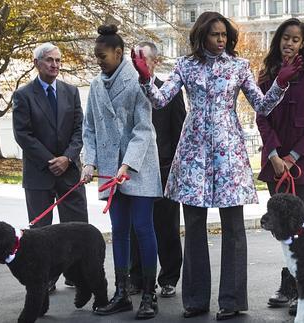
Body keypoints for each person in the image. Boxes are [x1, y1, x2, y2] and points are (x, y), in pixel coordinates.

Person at [132, 11, 302, 321]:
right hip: (193, 155)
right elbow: (160, 100)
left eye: (224, 34)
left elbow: (262, 106)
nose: (221, 39)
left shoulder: (238, 67)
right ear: (201, 36)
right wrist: (145, 79)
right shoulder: (185, 66)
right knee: (194, 227)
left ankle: (233, 300)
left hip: (229, 156)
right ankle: (195, 300)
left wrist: (279, 84)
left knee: (234, 229)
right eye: (215, 34)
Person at [81, 25, 162, 320]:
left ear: (118, 53)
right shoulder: (94, 85)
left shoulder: (138, 81)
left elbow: (143, 129)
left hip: (138, 168)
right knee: (119, 231)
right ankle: (122, 293)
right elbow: (89, 128)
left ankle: (150, 295)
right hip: (109, 170)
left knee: (142, 227)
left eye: (102, 56)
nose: (98, 61)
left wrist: (126, 165)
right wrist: (89, 162)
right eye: (96, 57)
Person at [256, 18, 304, 316]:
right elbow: (262, 116)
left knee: (298, 229)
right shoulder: (267, 74)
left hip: (301, 163)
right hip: (274, 164)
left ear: (303, 44)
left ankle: (301, 290)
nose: (289, 43)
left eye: (296, 40)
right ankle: (288, 288)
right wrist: (274, 154)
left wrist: (293, 156)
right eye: (286, 38)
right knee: (282, 229)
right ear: (279, 40)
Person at [12, 42, 88, 292]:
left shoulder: (71, 91)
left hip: (69, 172)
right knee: (41, 232)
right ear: (36, 63)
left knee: (76, 227)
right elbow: (23, 134)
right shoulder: (23, 95)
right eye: (49, 60)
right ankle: (45, 278)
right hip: (38, 174)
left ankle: (76, 275)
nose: (55, 65)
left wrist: (67, 157)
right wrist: (50, 161)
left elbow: (80, 129)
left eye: (58, 60)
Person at [128, 41, 186, 299]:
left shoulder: (169, 92)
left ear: (156, 62)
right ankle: (137, 277)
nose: (139, 65)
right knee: (136, 226)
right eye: (135, 60)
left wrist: (175, 166)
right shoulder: (129, 91)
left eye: (145, 60)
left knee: (167, 227)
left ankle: (169, 278)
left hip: (164, 168)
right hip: (135, 170)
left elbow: (180, 130)